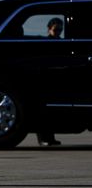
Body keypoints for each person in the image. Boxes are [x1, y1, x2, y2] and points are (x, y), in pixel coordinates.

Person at [36, 17, 64, 146]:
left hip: (56, 78)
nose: (58, 31)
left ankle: (50, 138)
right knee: (43, 109)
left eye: (60, 29)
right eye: (56, 29)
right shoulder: (45, 43)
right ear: (49, 29)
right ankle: (44, 138)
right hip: (46, 78)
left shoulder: (62, 42)